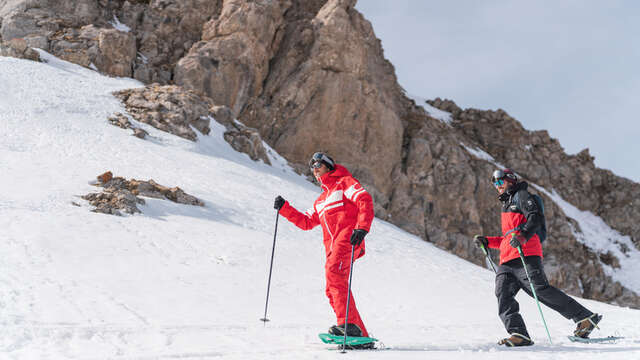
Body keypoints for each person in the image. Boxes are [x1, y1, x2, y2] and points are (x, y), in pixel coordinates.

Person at [473, 168, 601, 347]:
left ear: (510, 180)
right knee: (502, 294)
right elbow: (508, 237)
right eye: (494, 183)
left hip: (526, 253)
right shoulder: (507, 205)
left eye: (500, 182)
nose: (497, 186)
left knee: (540, 289)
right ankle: (519, 334)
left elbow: (535, 218)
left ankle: (585, 317)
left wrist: (523, 236)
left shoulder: (521, 195)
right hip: (507, 260)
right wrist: (488, 241)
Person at [274, 152, 374, 347]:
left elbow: (364, 199)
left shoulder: (344, 183)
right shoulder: (321, 200)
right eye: (312, 166)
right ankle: (358, 335)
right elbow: (306, 222)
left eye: (318, 164)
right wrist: (284, 208)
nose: (315, 168)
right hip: (332, 246)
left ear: (328, 166)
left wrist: (362, 228)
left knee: (334, 273)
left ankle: (348, 325)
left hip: (349, 238)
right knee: (332, 287)